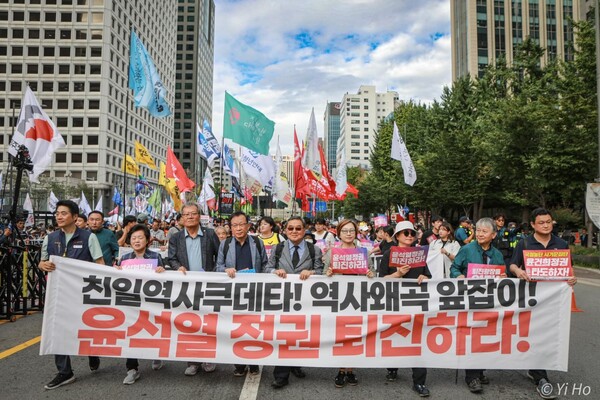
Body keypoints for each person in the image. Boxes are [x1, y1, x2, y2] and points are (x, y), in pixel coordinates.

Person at [509, 208, 577, 400]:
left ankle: (536, 370)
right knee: (534, 334)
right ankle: (541, 377)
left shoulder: (561, 244)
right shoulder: (524, 243)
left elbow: (568, 269)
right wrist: (518, 272)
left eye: (548, 222)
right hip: (531, 298)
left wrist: (572, 278)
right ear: (533, 225)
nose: (546, 225)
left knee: (548, 335)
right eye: (541, 222)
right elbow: (512, 265)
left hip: (553, 299)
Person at [38, 200, 105, 390]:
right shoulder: (50, 238)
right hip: (58, 293)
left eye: (64, 213)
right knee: (57, 328)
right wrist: (43, 265)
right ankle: (65, 372)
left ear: (75, 217)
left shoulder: (88, 237)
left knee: (85, 326)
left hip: (83, 293)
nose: (59, 216)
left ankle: (92, 352)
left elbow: (100, 264)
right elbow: (42, 262)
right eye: (57, 213)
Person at [266, 216, 324, 389]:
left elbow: (320, 272)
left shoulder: (314, 250)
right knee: (283, 335)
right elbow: (267, 268)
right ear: (285, 230)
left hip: (305, 301)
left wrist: (312, 273)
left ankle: (295, 364)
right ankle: (281, 375)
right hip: (282, 300)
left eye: (298, 228)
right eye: (290, 228)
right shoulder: (277, 248)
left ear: (304, 230)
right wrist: (275, 271)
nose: (294, 231)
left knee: (300, 335)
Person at [450, 217, 506, 394]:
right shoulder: (467, 249)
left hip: (489, 302)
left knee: (485, 337)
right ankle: (472, 376)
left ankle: (480, 371)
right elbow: (454, 268)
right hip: (470, 301)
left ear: (493, 235)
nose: (480, 234)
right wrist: (459, 276)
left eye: (484, 231)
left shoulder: (497, 254)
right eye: (478, 230)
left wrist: (503, 277)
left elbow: (502, 273)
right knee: (472, 338)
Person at [378, 220, 431, 397]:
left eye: (412, 233)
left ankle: (419, 382)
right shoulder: (388, 254)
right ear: (397, 236)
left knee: (418, 340)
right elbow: (381, 280)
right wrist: (397, 274)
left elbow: (429, 276)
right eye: (405, 233)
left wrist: (425, 277)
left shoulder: (419, 254)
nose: (409, 236)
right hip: (394, 302)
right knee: (395, 336)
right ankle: (392, 368)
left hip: (416, 302)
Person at [168, 202, 220, 376]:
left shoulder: (210, 234)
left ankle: (209, 357)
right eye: (186, 214)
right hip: (186, 288)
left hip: (208, 286)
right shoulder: (176, 237)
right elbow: (171, 258)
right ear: (182, 218)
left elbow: (219, 256)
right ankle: (192, 361)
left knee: (208, 323)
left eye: (193, 213)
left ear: (199, 216)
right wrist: (178, 268)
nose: (190, 217)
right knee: (189, 324)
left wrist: (213, 274)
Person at [324, 219, 374, 389]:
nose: (348, 234)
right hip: (339, 299)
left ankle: (351, 370)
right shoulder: (332, 253)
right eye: (345, 231)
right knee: (341, 336)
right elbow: (323, 275)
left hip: (358, 299)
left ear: (356, 233)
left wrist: (370, 274)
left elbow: (373, 272)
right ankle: (341, 370)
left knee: (355, 335)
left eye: (351, 230)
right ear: (338, 233)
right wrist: (328, 273)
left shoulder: (364, 252)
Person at [216, 211, 268, 377]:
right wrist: (226, 270)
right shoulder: (225, 244)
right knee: (235, 328)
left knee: (253, 328)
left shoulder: (257, 243)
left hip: (253, 292)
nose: (238, 228)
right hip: (233, 293)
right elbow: (218, 266)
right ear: (230, 228)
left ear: (248, 226)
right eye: (235, 225)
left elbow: (265, 265)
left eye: (241, 224)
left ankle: (253, 363)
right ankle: (238, 363)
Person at [117, 224, 167, 384]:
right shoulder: (125, 258)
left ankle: (156, 355)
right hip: (131, 303)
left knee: (152, 329)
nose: (137, 241)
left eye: (140, 238)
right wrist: (115, 271)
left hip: (151, 302)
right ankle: (132, 369)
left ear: (147, 240)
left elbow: (165, 278)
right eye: (133, 238)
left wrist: (162, 270)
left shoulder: (155, 257)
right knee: (130, 333)